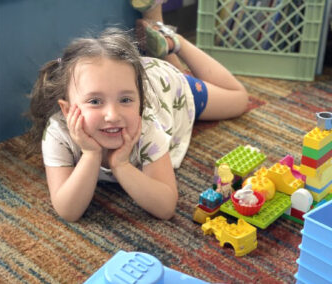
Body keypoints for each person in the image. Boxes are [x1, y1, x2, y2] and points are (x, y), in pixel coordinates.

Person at [27, 1, 248, 222]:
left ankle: (174, 42)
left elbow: (165, 207)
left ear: (141, 102)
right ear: (67, 110)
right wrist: (91, 155)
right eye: (95, 101)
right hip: (139, 79)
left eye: (125, 100)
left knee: (239, 99)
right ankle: (160, 38)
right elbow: (68, 211)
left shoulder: (146, 124)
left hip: (166, 85)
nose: (113, 115)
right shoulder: (59, 132)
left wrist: (121, 165)